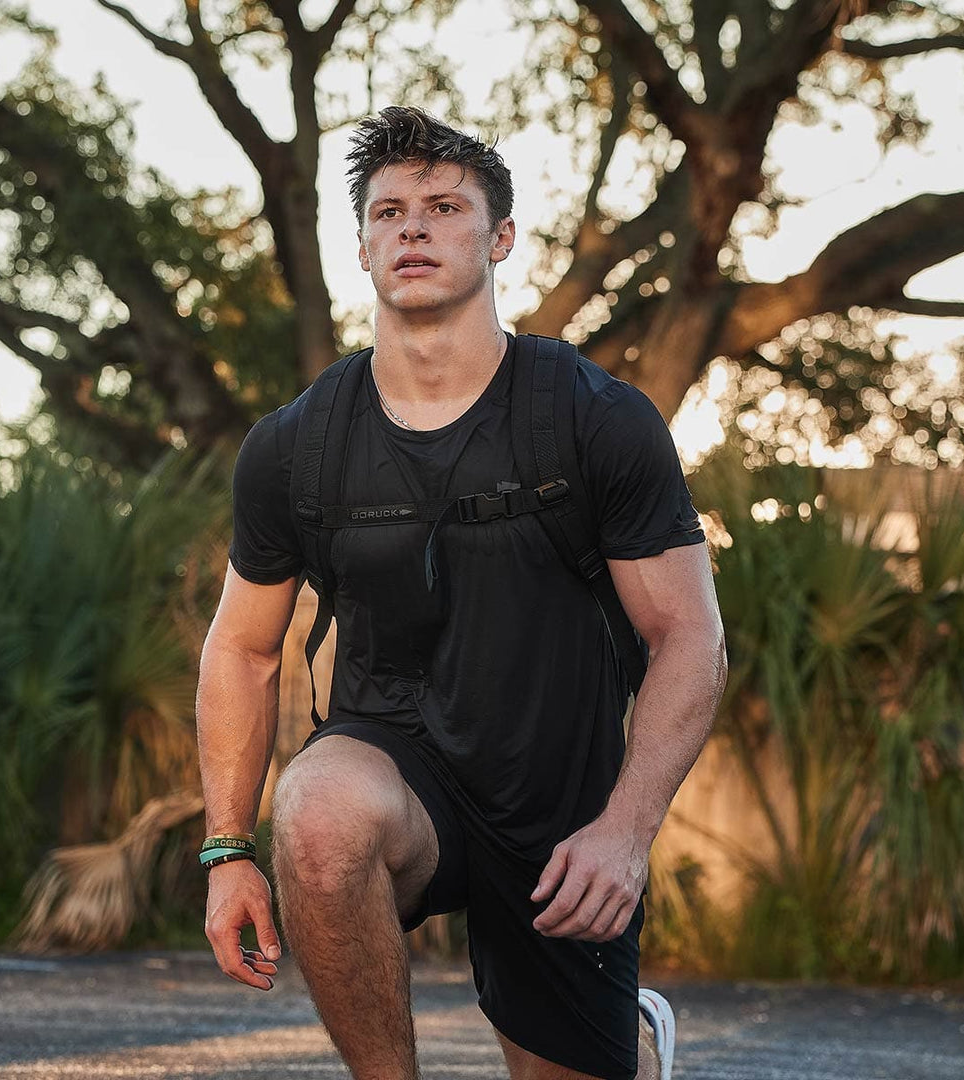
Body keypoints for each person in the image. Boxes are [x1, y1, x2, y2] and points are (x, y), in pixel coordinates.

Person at [196, 105, 727, 1080]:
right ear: (361, 248)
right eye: (389, 212)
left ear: (501, 236)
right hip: (398, 773)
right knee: (316, 811)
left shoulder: (596, 421)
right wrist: (228, 848)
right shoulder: (297, 447)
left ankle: (632, 1040)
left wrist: (625, 831)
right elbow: (243, 647)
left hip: (560, 807)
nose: (414, 228)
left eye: (445, 206)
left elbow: (689, 636)